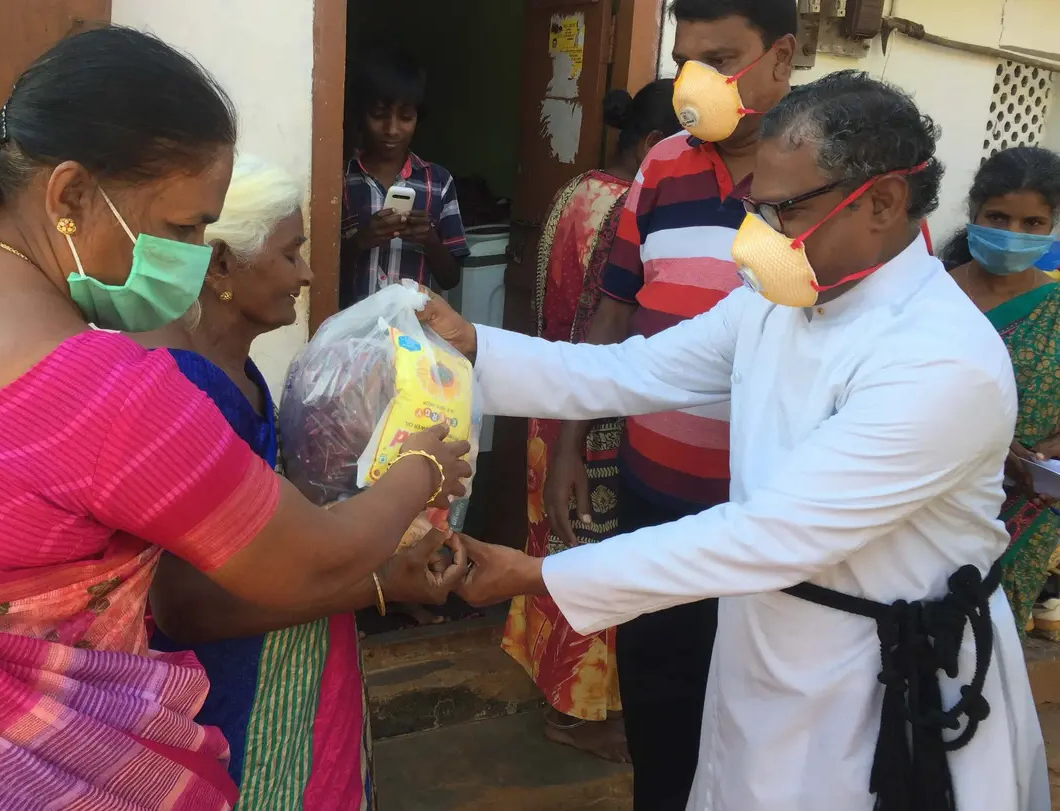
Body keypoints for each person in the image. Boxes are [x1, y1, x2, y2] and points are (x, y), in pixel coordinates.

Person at [0, 28, 473, 811]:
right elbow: (311, 562)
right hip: (28, 779)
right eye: (181, 228)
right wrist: (422, 463)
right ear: (70, 195)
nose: (190, 255)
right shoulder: (104, 394)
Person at [434, 71, 1049, 811]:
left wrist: (537, 576)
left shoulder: (944, 360)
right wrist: (471, 346)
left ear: (883, 203)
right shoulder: (776, 303)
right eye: (754, 207)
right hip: (764, 641)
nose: (756, 238)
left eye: (783, 211)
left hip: (880, 672)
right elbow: (631, 369)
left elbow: (769, 535)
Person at [136, 155, 465, 811]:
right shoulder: (185, 386)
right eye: (291, 256)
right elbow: (184, 605)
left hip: (290, 666)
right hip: (234, 702)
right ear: (222, 265)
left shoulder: (232, 364)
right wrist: (378, 579)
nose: (309, 274)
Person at [544, 0, 797, 803]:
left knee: (760, 733)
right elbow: (613, 316)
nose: (699, 84)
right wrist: (569, 446)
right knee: (659, 717)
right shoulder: (661, 168)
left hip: (770, 522)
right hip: (656, 504)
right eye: (686, 60)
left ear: (783, 60)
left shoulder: (833, 183)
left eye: (722, 60)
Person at [501, 78, 680, 764]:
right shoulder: (630, 207)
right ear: (654, 144)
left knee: (555, 542)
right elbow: (613, 319)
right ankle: (580, 712)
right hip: (595, 415)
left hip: (555, 401)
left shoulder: (578, 191)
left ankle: (556, 687)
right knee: (595, 551)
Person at [944, 145, 1060, 638]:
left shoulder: (1055, 308)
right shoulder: (931, 294)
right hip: (930, 497)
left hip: (1023, 511)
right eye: (998, 216)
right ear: (973, 212)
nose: (1013, 234)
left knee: (987, 643)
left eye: (1033, 223)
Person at [340, 50, 470, 309]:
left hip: (413, 334)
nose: (391, 129)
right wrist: (360, 242)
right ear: (361, 114)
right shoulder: (341, 178)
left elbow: (450, 279)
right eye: (378, 115)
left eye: (406, 117)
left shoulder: (438, 182)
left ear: (418, 118)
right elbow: (316, 269)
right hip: (350, 332)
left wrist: (430, 240)